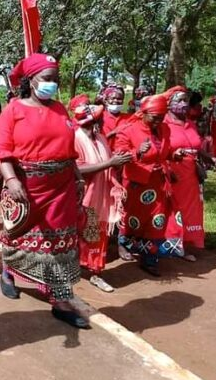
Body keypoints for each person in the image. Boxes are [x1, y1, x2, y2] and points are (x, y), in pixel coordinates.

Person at [0, 53, 88, 328]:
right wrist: (11, 181)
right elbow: (2, 151)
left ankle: (59, 299)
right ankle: (9, 272)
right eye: (47, 79)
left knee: (60, 241)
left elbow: (69, 150)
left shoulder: (60, 109)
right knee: (18, 233)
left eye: (55, 80)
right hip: (26, 185)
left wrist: (78, 176)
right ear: (30, 80)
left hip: (61, 186)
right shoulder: (13, 109)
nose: (52, 84)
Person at [114, 94, 184, 276]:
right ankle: (124, 246)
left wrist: (174, 155)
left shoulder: (165, 129)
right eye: (155, 118)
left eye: (161, 118)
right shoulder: (128, 130)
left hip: (159, 184)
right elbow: (119, 156)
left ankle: (150, 259)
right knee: (132, 220)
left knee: (156, 221)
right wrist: (137, 151)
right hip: (137, 184)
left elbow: (164, 152)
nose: (158, 122)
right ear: (144, 113)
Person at [70, 95, 131, 292]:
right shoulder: (76, 139)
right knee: (85, 234)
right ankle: (82, 267)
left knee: (98, 235)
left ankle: (96, 272)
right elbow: (78, 169)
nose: (105, 120)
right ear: (93, 121)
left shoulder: (101, 138)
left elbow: (108, 167)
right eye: (101, 118)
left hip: (102, 197)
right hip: (86, 198)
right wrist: (110, 163)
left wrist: (116, 178)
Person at [164, 86, 216, 261]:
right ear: (169, 104)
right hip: (171, 173)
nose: (184, 104)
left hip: (191, 174)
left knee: (189, 209)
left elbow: (198, 148)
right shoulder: (162, 124)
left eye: (186, 100)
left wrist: (214, 160)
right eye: (180, 100)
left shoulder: (189, 124)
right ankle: (167, 245)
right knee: (170, 208)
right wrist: (168, 165)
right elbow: (158, 149)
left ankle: (184, 244)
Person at [98, 83, 132, 148]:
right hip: (106, 155)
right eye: (112, 98)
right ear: (105, 100)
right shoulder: (99, 118)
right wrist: (113, 133)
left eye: (119, 99)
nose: (116, 101)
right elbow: (95, 142)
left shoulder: (129, 118)